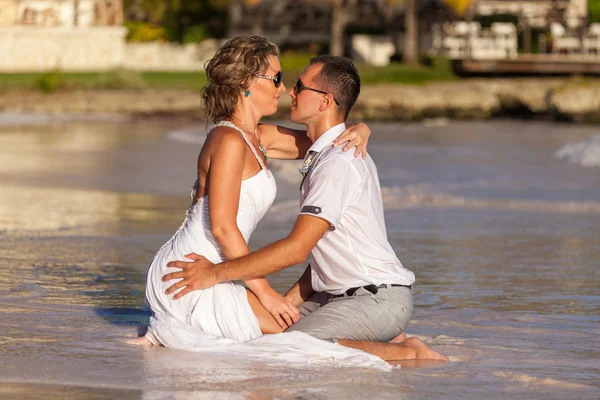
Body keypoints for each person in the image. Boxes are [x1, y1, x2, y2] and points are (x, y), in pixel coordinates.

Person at [163, 55, 449, 362]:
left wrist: (215, 274)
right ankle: (384, 335)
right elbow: (323, 255)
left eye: (300, 86)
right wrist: (284, 302)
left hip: (375, 297)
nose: (290, 91)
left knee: (287, 349)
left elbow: (297, 250)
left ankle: (407, 352)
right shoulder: (319, 152)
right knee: (264, 332)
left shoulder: (336, 163)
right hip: (336, 295)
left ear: (325, 101)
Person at [142, 36, 373, 348]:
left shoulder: (258, 138)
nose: (283, 88)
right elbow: (223, 227)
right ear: (244, 82)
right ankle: (410, 354)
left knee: (302, 341)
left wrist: (360, 128)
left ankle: (403, 348)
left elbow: (327, 140)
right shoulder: (227, 140)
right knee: (299, 343)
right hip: (188, 273)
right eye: (276, 78)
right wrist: (266, 294)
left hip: (218, 271)